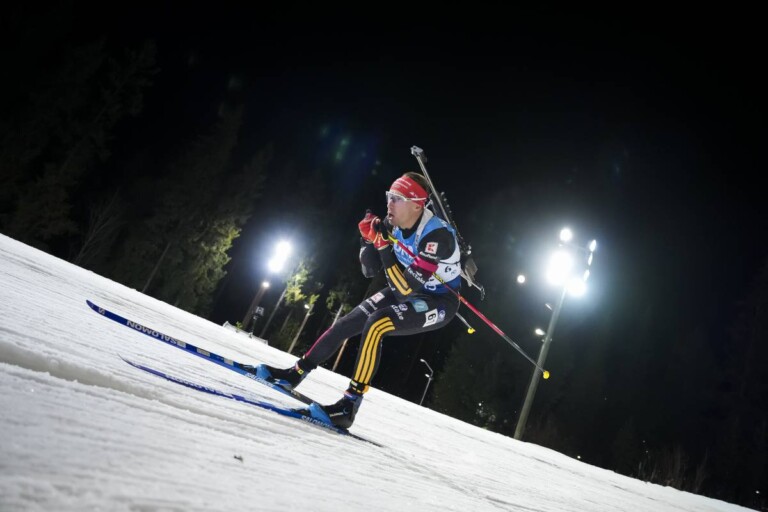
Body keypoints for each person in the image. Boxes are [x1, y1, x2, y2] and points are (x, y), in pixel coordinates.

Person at [252, 172, 462, 429]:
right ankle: (295, 373)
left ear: (417, 205)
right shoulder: (393, 223)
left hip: (439, 302)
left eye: (397, 198)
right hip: (406, 286)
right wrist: (366, 240)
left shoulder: (437, 237)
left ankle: (348, 406)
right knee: (347, 323)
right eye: (389, 196)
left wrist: (382, 246)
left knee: (377, 323)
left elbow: (404, 290)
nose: (389, 203)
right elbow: (369, 270)